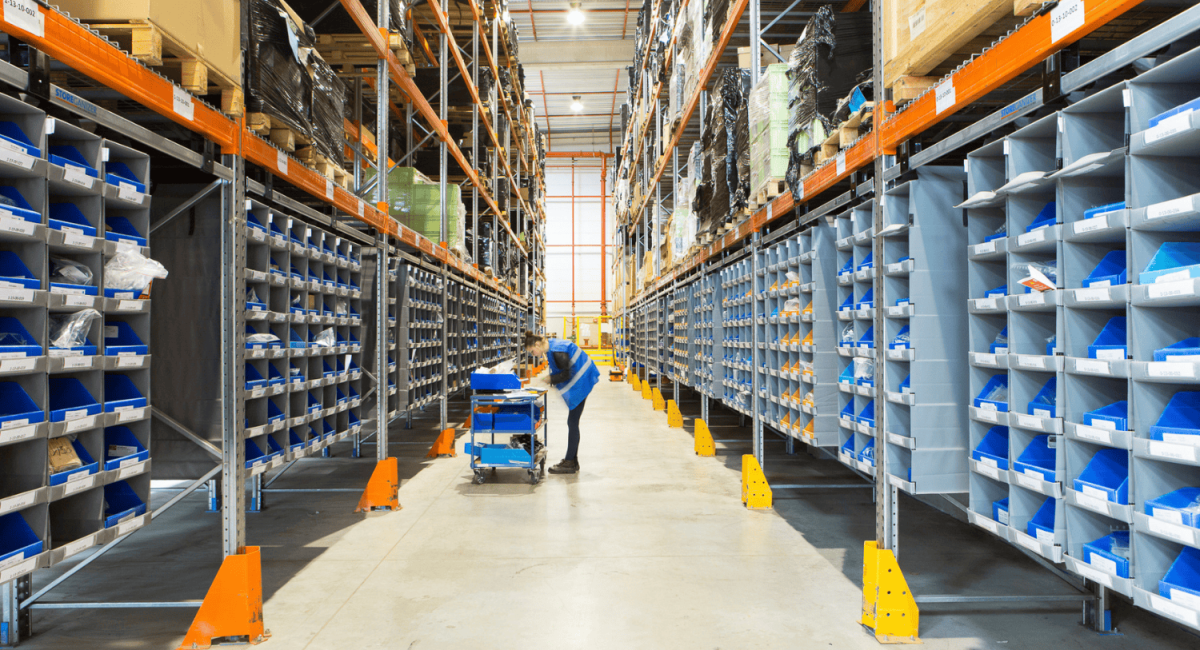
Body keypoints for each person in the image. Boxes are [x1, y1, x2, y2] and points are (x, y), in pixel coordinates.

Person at [523, 331, 599, 474]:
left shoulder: (557, 351)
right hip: (583, 380)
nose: (533, 354)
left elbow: (566, 373)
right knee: (573, 422)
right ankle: (572, 461)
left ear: (537, 344)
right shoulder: (552, 347)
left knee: (572, 422)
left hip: (583, 381)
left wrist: (550, 379)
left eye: (532, 351)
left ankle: (570, 462)